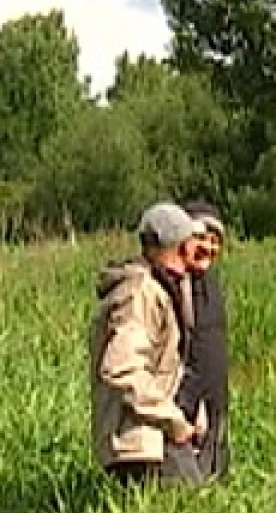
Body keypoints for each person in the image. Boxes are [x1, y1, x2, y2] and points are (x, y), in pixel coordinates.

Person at [89, 202, 207, 487]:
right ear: (180, 245)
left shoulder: (160, 287)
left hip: (150, 438)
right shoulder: (140, 293)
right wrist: (173, 421)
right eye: (193, 240)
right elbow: (121, 369)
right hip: (142, 445)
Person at [178, 201, 232, 479]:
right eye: (200, 238)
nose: (208, 247)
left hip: (216, 404)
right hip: (188, 410)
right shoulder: (177, 285)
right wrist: (192, 405)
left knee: (217, 479)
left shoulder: (210, 282)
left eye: (214, 241)